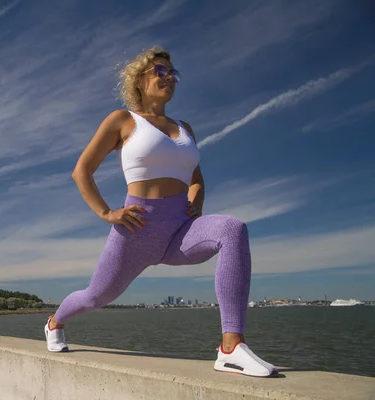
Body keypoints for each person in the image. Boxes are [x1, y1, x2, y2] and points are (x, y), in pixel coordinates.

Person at [43, 46, 277, 378]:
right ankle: (55, 322)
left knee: (233, 229)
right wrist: (107, 212)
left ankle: (231, 347)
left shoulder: (185, 129)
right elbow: (82, 171)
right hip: (135, 229)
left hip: (180, 231)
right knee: (95, 297)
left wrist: (196, 204)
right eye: (159, 71)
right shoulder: (122, 120)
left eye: (172, 73)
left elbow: (196, 179)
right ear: (139, 80)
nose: (168, 78)